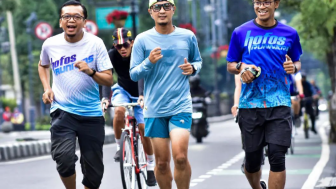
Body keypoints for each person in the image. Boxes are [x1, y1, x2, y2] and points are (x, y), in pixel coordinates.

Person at [226, 0, 303, 189]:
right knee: (252, 161)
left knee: (277, 156)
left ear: (275, 4)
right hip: (250, 106)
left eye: (266, 2)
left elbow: (297, 62)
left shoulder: (290, 33)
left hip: (279, 103)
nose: (262, 6)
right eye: (258, 2)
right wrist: (241, 67)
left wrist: (293, 67)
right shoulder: (240, 32)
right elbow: (231, 64)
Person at [38, 1, 113, 189]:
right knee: (63, 159)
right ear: (61, 21)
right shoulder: (50, 44)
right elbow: (43, 64)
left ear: (84, 22)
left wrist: (91, 72)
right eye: (66, 17)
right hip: (63, 111)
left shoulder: (95, 44)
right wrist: (47, 87)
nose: (71, 20)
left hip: (91, 114)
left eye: (76, 17)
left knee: (94, 173)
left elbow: (108, 80)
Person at [129, 0, 202, 188]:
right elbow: (134, 73)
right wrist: (149, 62)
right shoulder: (142, 40)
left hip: (180, 105)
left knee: (180, 157)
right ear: (150, 12)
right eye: (157, 7)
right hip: (154, 108)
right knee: (161, 164)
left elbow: (197, 61)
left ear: (173, 10)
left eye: (166, 6)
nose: (162, 11)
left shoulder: (187, 36)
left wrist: (192, 68)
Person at [101, 28, 156, 186]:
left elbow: (141, 75)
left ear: (132, 43)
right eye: (118, 46)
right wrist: (105, 98)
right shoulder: (111, 55)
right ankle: (119, 146)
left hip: (142, 91)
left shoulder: (139, 53)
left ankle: (151, 166)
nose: (122, 49)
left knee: (143, 127)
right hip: (123, 90)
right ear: (114, 46)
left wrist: (141, 95)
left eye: (125, 45)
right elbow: (107, 77)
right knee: (118, 111)